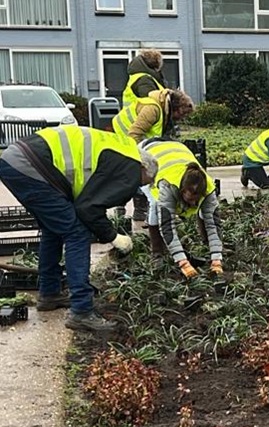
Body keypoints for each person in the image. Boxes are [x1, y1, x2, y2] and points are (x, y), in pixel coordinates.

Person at [0, 126, 158, 333]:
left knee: (53, 229)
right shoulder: (129, 168)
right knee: (76, 232)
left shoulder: (122, 150)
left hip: (17, 160)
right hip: (30, 165)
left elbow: (86, 198)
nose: (138, 186)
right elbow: (88, 208)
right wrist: (113, 236)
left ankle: (49, 294)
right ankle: (82, 311)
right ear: (144, 169)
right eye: (144, 182)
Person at [139, 139, 222, 278]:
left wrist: (217, 260)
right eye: (189, 199)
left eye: (197, 199)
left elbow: (213, 224)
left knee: (206, 213)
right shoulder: (168, 185)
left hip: (176, 148)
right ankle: (157, 254)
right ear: (182, 191)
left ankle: (207, 246)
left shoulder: (208, 188)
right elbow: (167, 226)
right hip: (148, 156)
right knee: (155, 205)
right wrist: (183, 263)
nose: (193, 203)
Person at [113, 87, 194, 222]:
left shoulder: (164, 111)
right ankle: (125, 210)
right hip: (125, 137)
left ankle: (140, 210)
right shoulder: (153, 109)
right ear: (177, 108)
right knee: (135, 172)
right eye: (182, 114)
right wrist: (140, 154)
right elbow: (134, 133)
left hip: (140, 140)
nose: (181, 118)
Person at [120, 48, 168, 220]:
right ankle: (138, 208)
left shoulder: (140, 77)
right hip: (137, 131)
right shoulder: (144, 80)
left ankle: (128, 208)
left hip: (133, 128)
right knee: (140, 169)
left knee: (131, 169)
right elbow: (152, 102)